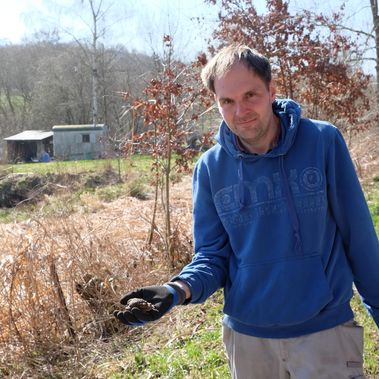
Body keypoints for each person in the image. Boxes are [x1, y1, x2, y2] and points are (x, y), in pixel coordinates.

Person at [114, 44, 379, 378]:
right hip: (248, 341)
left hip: (325, 334)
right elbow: (212, 256)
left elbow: (360, 238)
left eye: (250, 95)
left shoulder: (322, 142)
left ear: (271, 89)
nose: (241, 111)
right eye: (227, 101)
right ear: (216, 103)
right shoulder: (210, 168)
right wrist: (175, 291)